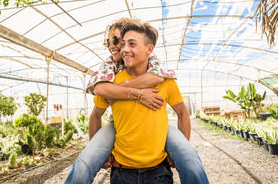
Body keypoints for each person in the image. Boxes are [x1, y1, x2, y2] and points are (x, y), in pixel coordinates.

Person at [65, 19, 208, 184]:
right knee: (83, 164)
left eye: (127, 43)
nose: (118, 47)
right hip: (121, 158)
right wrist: (135, 93)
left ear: (149, 50)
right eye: (114, 42)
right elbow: (97, 100)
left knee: (190, 159)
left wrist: (118, 90)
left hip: (157, 170)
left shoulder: (159, 74)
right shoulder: (109, 71)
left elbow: (181, 110)